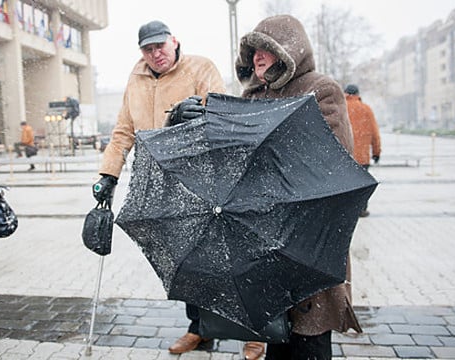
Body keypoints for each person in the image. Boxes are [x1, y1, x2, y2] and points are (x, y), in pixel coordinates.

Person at [91, 20, 226, 355]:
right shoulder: (135, 80)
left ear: (174, 41)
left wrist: (193, 114)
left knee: (206, 257)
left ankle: (221, 325)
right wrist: (108, 176)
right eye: (148, 49)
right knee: (178, 259)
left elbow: (223, 114)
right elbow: (124, 130)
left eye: (159, 46)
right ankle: (199, 327)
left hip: (196, 179)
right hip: (155, 182)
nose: (155, 54)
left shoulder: (200, 67)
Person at [234, 15, 362, 360]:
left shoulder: (319, 89)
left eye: (266, 49)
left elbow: (333, 161)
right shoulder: (252, 95)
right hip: (265, 238)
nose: (257, 56)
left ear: (288, 51)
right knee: (275, 339)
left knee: (310, 341)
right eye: (253, 50)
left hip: (308, 239)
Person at [345, 84, 381, 217]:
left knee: (347, 184)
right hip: (362, 156)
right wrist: (376, 152)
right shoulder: (366, 110)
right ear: (358, 94)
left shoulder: (341, 108)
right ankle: (361, 209)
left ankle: (347, 210)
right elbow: (375, 134)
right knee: (362, 185)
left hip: (345, 156)